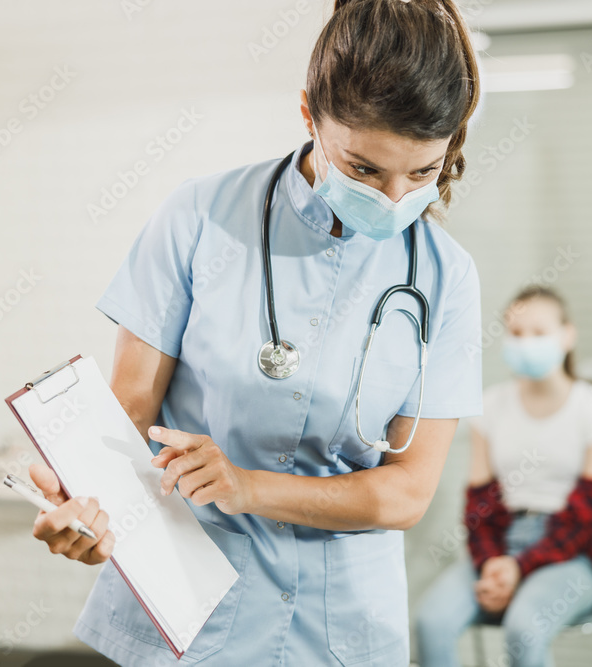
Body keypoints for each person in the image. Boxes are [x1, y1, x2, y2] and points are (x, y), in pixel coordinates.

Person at [25, 1, 484, 664]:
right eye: (363, 169)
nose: (392, 201)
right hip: (188, 606)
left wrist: (248, 486)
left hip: (341, 627)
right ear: (308, 116)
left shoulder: (447, 278)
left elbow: (407, 489)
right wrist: (88, 504)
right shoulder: (200, 218)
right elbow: (129, 417)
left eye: (422, 173)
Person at [415, 286, 592, 667]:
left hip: (572, 556)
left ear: (567, 335)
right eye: (516, 333)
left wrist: (520, 566)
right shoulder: (489, 407)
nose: (526, 342)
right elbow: (478, 506)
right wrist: (494, 561)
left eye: (539, 332)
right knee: (431, 623)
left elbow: (587, 519)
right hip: (497, 548)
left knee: (525, 628)